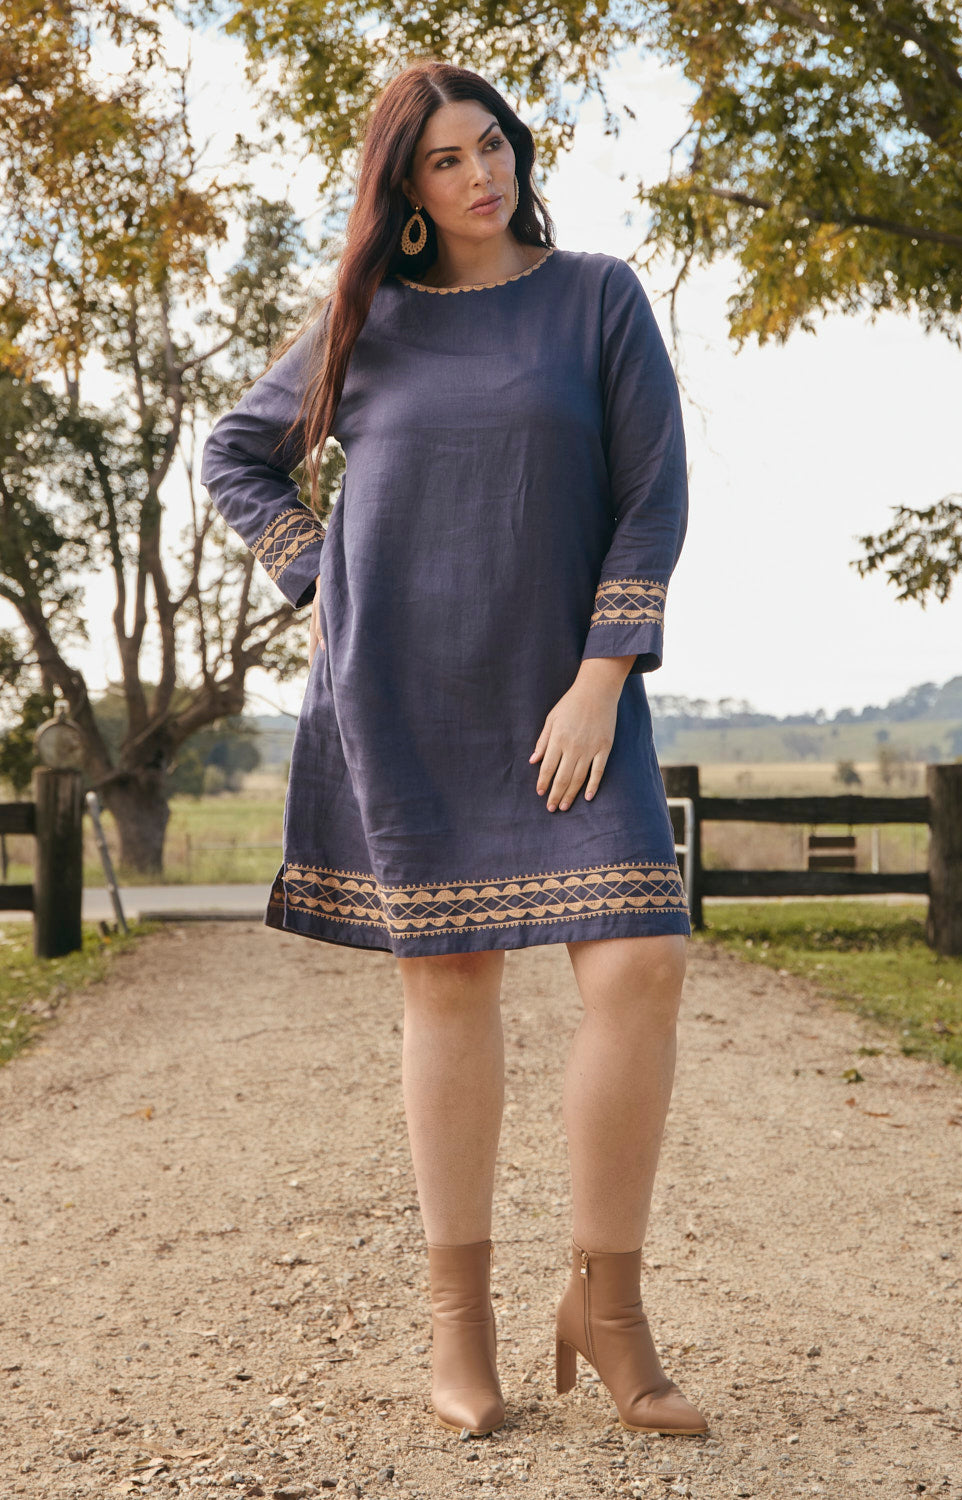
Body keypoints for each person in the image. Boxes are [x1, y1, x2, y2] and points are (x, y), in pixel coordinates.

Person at [200, 59, 708, 1441]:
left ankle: (607, 1311)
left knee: (642, 962)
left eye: (492, 144)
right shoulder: (365, 321)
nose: (481, 174)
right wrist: (317, 574)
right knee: (451, 987)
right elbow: (236, 453)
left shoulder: (596, 297)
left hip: (570, 695)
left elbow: (654, 498)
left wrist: (601, 680)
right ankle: (459, 1329)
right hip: (405, 692)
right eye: (445, 159)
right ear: (407, 190)